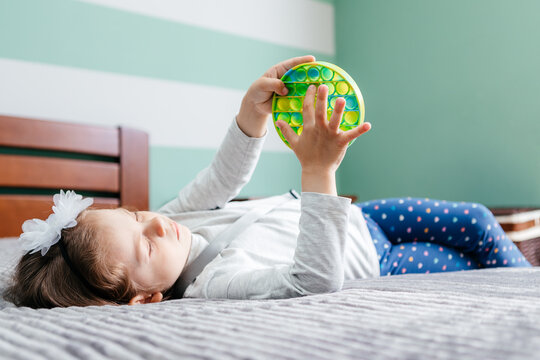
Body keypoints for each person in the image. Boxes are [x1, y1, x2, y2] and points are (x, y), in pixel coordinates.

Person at [3, 56, 531, 309]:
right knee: (469, 267)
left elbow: (222, 177)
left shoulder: (177, 218)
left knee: (481, 220)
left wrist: (249, 118)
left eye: (139, 217)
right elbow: (312, 281)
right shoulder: (215, 284)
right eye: (144, 245)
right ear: (147, 298)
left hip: (364, 217)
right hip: (375, 261)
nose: (158, 225)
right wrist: (319, 170)